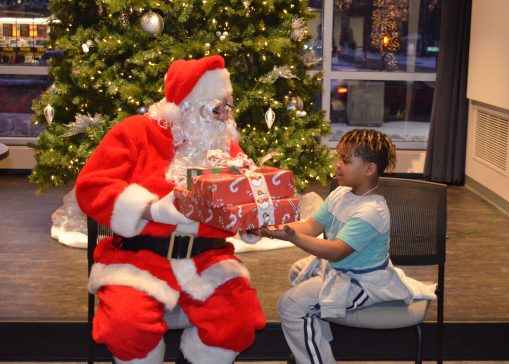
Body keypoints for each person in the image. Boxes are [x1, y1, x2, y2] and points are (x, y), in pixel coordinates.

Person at [76, 55, 265, 364]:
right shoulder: (136, 133)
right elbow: (91, 188)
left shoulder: (226, 146)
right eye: (215, 108)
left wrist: (250, 220)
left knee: (238, 321)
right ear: (186, 106)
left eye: (227, 107)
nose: (224, 116)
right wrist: (151, 209)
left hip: (207, 259)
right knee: (126, 327)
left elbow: (239, 200)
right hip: (139, 259)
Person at [258, 129, 436, 364]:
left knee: (289, 305)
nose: (337, 164)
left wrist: (292, 237)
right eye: (339, 157)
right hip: (342, 270)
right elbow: (311, 226)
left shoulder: (372, 210)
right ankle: (319, 344)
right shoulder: (340, 193)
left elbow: (336, 250)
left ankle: (316, 357)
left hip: (362, 282)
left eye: (346, 160)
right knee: (297, 270)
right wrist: (278, 231)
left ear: (369, 169)